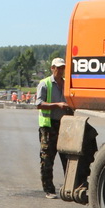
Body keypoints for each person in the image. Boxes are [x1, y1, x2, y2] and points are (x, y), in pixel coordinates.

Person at [36, 57, 72, 198]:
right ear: (52, 68)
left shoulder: (66, 84)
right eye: (58, 68)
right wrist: (58, 105)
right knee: (47, 158)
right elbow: (39, 104)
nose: (60, 70)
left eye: (63, 68)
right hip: (48, 125)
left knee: (67, 158)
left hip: (64, 124)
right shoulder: (44, 84)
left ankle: (68, 188)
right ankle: (49, 190)